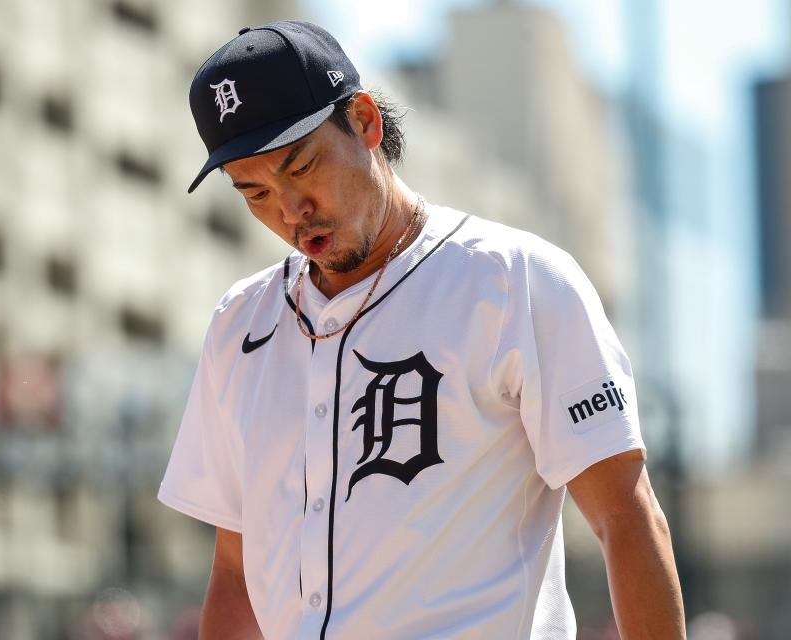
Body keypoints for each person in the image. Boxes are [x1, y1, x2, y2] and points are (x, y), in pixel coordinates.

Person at [158, 20, 686, 639]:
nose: (289, 209)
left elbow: (625, 513)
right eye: (254, 192)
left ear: (364, 121)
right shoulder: (238, 323)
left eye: (301, 167)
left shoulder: (514, 280)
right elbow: (234, 569)